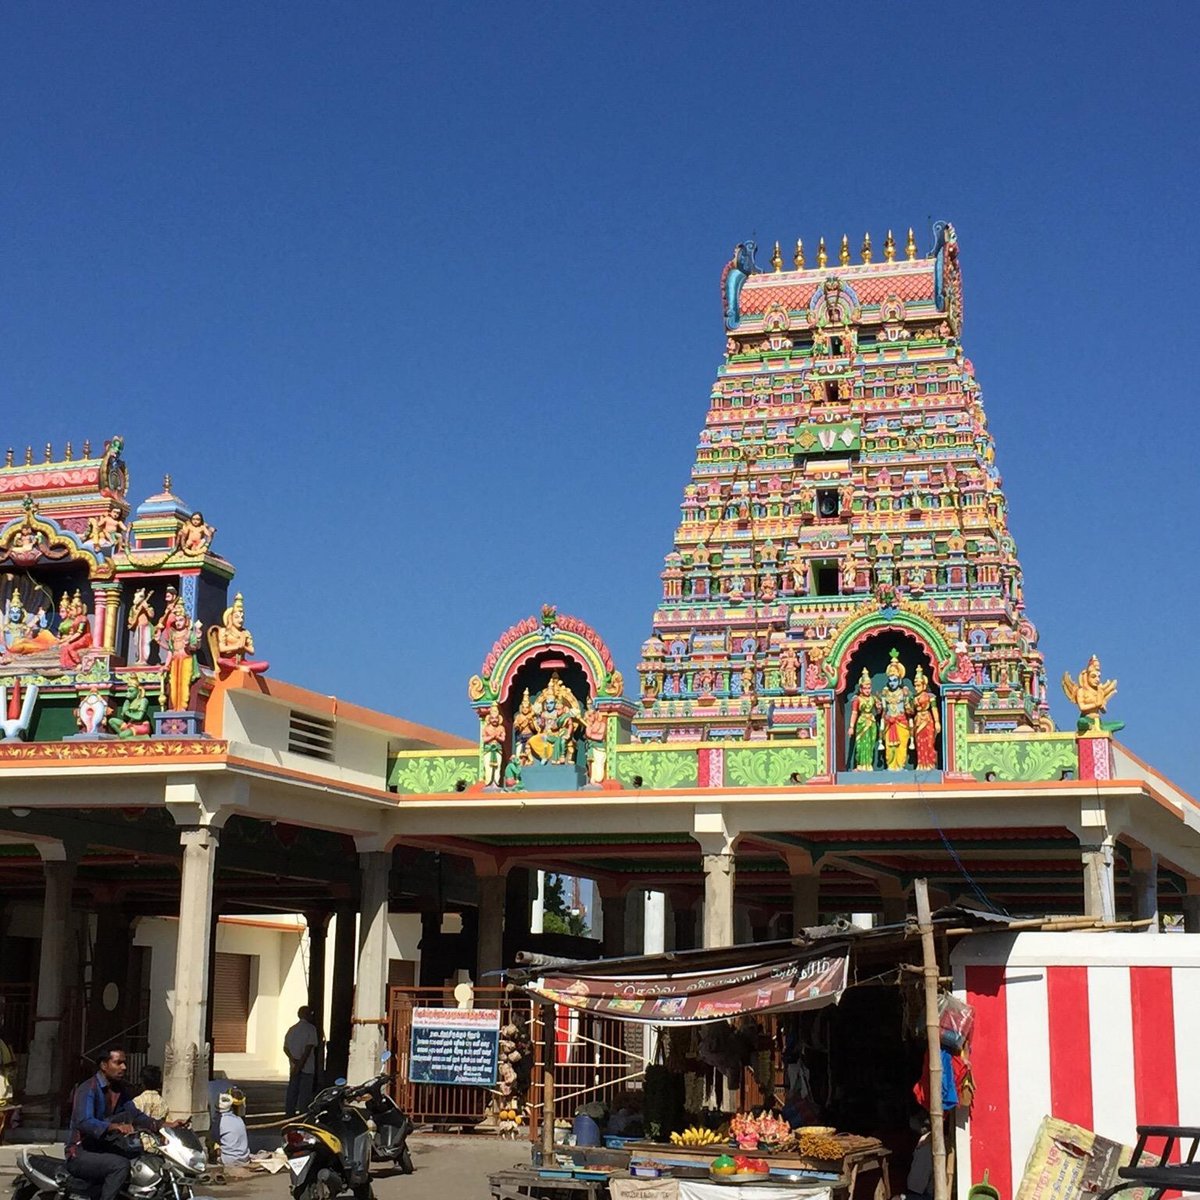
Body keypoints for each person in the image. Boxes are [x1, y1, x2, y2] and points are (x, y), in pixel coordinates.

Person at [65, 1047, 166, 1200]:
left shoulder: (120, 1091)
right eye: (118, 1063)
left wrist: (165, 1126)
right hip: (81, 1152)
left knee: (148, 1160)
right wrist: (115, 1127)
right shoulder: (88, 1089)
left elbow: (136, 1115)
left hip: (105, 1148)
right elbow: (84, 1122)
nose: (124, 1068)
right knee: (120, 1165)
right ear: (104, 1065)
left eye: (124, 1063)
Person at [283, 1006, 319, 1116]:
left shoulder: (292, 1029)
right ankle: (303, 1116)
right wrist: (300, 1065)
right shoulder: (311, 1029)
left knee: (292, 1093)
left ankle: (289, 1114)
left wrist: (294, 1061)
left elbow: (285, 1048)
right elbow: (308, 1049)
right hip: (306, 1068)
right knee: (304, 1095)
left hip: (293, 1067)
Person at [215, 1093, 250, 1166]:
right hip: (244, 1158)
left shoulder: (219, 1121)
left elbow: (213, 1138)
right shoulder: (239, 1119)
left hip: (229, 1160)